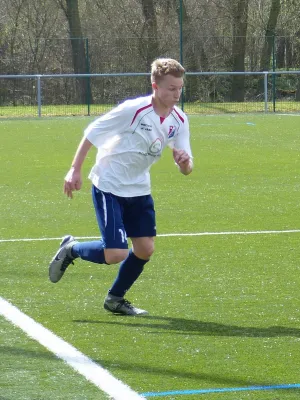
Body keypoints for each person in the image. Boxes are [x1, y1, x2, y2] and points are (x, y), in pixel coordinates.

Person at [49, 58, 193, 316]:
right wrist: (75, 169)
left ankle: (115, 299)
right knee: (116, 252)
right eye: (171, 88)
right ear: (155, 86)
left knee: (145, 249)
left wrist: (184, 162)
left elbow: (187, 167)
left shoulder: (179, 120)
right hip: (110, 185)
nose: (176, 94)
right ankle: (72, 249)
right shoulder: (133, 110)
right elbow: (92, 133)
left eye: (180, 88)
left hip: (139, 189)